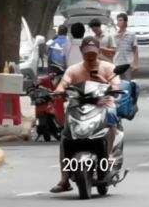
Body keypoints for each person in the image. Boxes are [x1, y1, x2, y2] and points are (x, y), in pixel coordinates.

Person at [50, 37, 121, 193]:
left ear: (98, 52)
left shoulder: (108, 67)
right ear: (81, 52)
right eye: (87, 53)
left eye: (93, 54)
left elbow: (116, 86)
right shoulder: (74, 69)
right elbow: (64, 83)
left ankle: (107, 155)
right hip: (78, 105)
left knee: (112, 119)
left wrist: (103, 81)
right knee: (65, 136)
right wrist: (58, 91)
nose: (90, 57)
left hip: (103, 102)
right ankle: (64, 179)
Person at [113, 13, 139, 80]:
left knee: (128, 81)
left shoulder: (131, 34)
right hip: (117, 61)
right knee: (117, 82)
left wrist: (135, 64)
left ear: (125, 22)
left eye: (121, 20)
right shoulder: (114, 35)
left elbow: (135, 49)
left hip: (128, 62)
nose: (119, 22)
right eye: (118, 20)